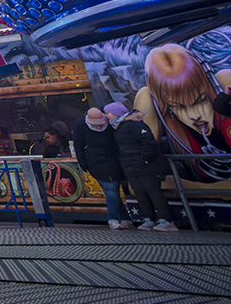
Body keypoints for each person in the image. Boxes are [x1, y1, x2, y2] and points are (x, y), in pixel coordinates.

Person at [134, 43, 231, 183]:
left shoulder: (224, 83)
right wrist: (145, 98)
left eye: (200, 100)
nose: (194, 114)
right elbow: (142, 162)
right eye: (178, 106)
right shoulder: (158, 111)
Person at [109, 100, 178, 231]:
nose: (106, 116)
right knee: (140, 193)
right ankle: (148, 218)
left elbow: (148, 141)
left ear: (116, 114)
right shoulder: (118, 128)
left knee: (153, 191)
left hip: (145, 166)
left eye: (108, 113)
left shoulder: (134, 125)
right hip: (132, 166)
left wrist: (146, 158)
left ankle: (166, 219)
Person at [74, 106, 130, 228]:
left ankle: (121, 219)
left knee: (111, 190)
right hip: (96, 163)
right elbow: (78, 144)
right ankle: (116, 219)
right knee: (111, 189)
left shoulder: (108, 124)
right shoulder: (80, 125)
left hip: (110, 160)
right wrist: (83, 163)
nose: (99, 127)